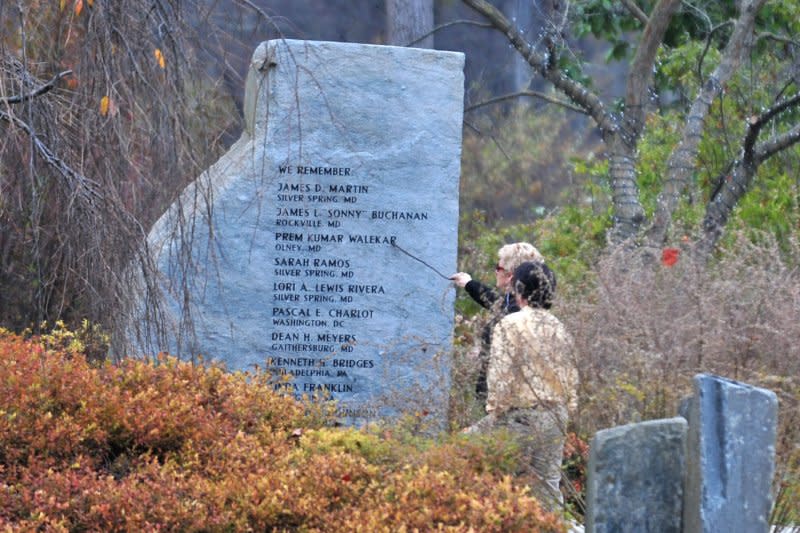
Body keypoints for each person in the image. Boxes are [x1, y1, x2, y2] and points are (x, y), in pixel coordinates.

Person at [464, 261, 577, 507]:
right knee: (547, 485)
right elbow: (570, 379)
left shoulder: (510, 324)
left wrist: (494, 414)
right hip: (556, 414)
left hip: (519, 415)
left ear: (518, 289)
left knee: (465, 455)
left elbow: (500, 378)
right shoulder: (559, 327)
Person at [450, 242, 545, 402]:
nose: (495, 271)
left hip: (507, 403)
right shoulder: (519, 301)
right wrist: (468, 284)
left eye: (498, 268)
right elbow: (495, 302)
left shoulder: (519, 312)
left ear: (511, 275)